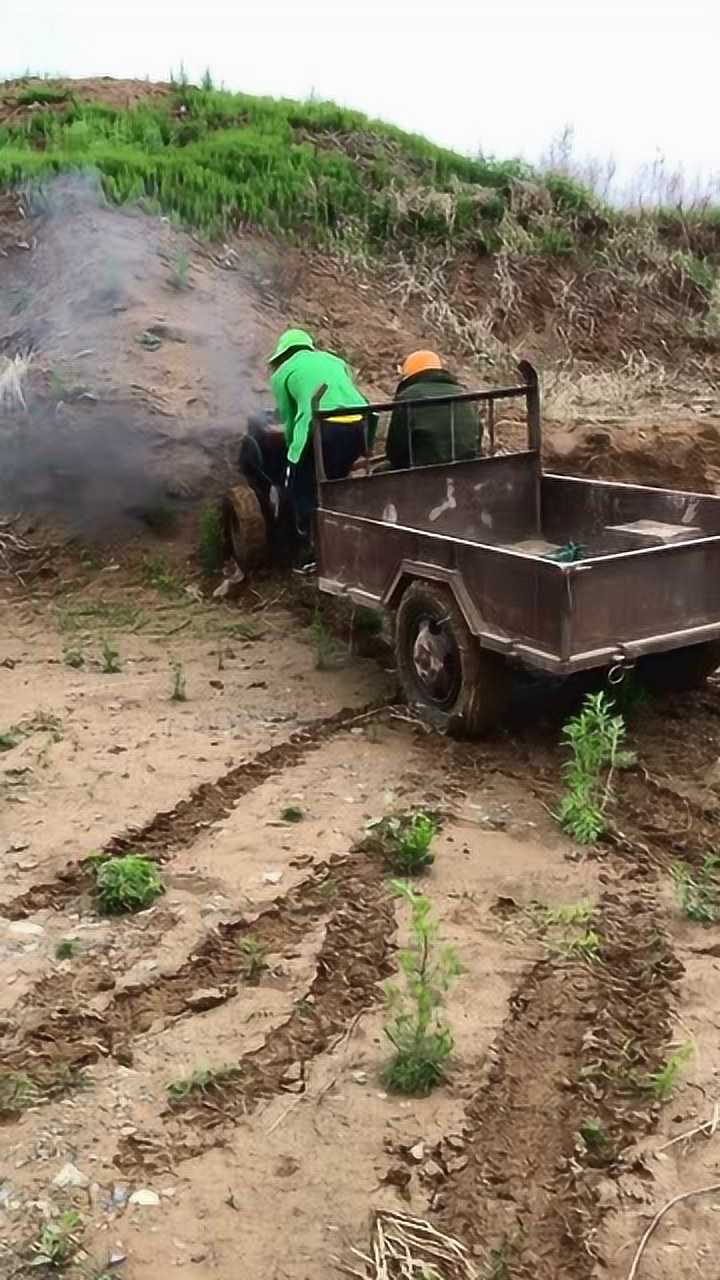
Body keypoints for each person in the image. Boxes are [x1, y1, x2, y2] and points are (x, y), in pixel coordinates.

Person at [268, 328, 371, 533]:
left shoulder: (281, 374)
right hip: (358, 425)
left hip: (323, 429)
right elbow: (345, 393)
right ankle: (343, 523)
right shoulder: (336, 361)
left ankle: (310, 537)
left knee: (300, 483)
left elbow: (290, 418)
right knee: (337, 476)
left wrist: (292, 454)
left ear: (283, 354)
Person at [385, 350, 480, 471]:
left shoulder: (407, 397)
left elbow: (396, 449)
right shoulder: (464, 393)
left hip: (423, 470)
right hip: (468, 466)